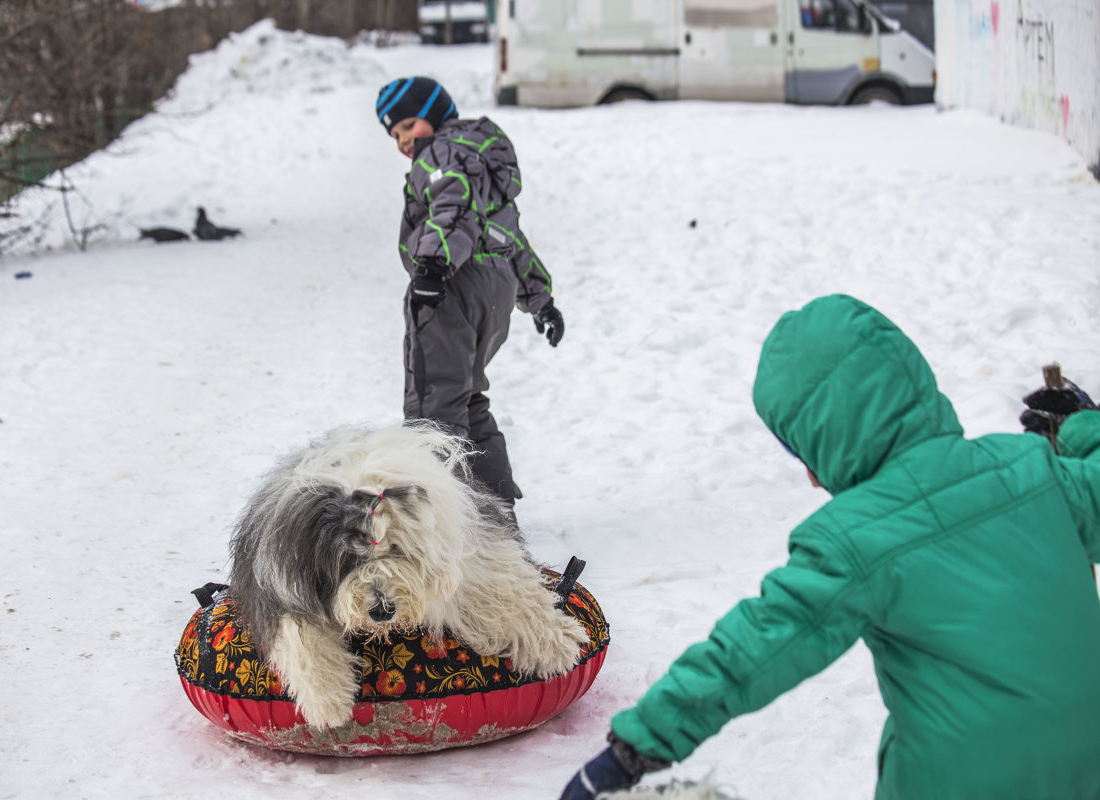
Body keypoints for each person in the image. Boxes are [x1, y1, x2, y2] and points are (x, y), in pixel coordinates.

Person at [559, 293, 1100, 799]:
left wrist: (637, 747)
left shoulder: (854, 540)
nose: (813, 479)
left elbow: (755, 648)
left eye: (804, 453)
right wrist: (1082, 430)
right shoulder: (1036, 471)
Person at [375, 76, 563, 506]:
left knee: (434, 410)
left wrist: (433, 266)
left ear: (435, 115)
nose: (404, 141)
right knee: (468, 402)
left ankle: (440, 521)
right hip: (495, 291)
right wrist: (540, 299)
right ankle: (496, 510)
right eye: (395, 135)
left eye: (407, 125)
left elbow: (452, 205)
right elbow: (510, 237)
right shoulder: (481, 159)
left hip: (452, 286)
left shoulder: (441, 153)